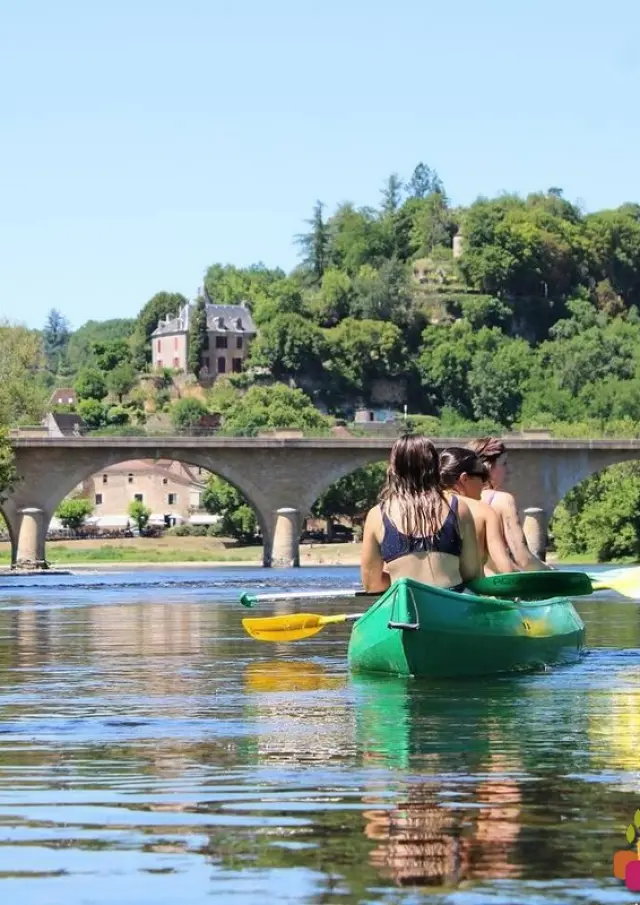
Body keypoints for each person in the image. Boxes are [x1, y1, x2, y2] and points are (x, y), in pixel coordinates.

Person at [360, 435, 482, 593]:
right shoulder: (458, 508)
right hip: (451, 602)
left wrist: (399, 579)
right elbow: (472, 574)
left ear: (394, 469)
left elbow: (371, 584)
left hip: (406, 603)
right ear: (436, 467)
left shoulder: (377, 515)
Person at [467, 437, 551, 572]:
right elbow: (523, 559)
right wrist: (551, 571)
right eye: (504, 463)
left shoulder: (459, 500)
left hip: (470, 584)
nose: (509, 470)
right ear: (488, 466)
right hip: (496, 587)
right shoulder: (502, 500)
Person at [439, 446, 516, 575]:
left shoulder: (423, 509)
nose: (485, 483)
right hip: (467, 592)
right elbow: (505, 568)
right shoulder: (484, 511)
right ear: (464, 479)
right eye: (482, 476)